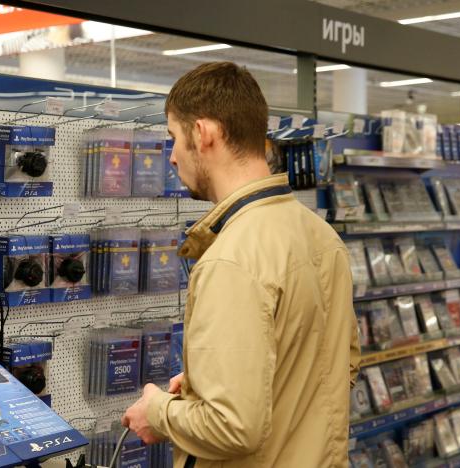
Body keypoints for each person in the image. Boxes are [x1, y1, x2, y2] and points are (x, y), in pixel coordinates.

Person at [121, 62, 360, 468]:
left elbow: (232, 427)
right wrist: (208, 385)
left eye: (174, 138)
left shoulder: (231, 259)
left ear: (203, 133)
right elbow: (340, 364)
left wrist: (158, 412)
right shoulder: (321, 236)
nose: (173, 157)